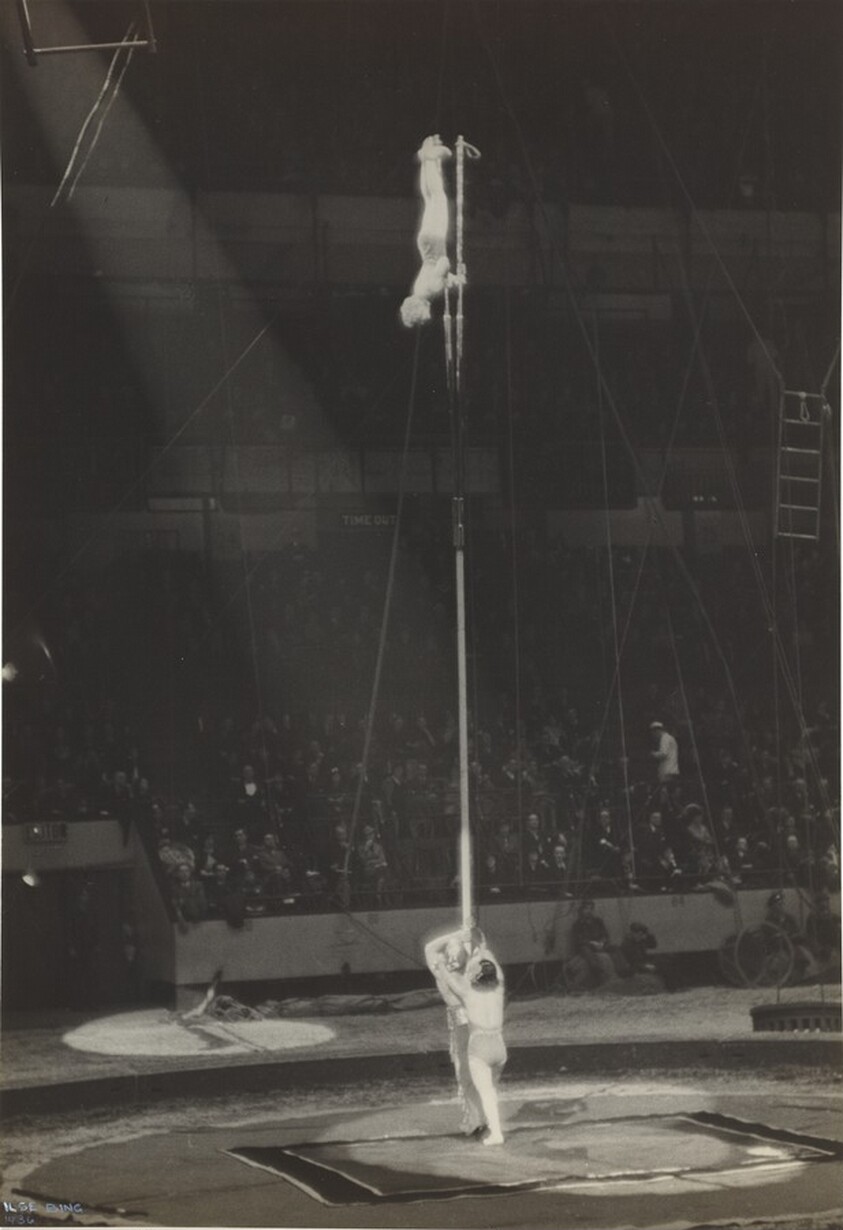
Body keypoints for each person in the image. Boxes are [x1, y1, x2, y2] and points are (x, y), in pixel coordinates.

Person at [429, 932, 507, 1146]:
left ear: (474, 977)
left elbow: (447, 978)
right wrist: (482, 947)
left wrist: (442, 963)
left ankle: (496, 1132)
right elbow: (493, 963)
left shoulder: (467, 993)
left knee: (486, 1093)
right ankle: (491, 1126)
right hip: (500, 1046)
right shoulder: (499, 988)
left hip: (480, 1046)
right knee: (491, 1090)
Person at [424, 927, 485, 1137]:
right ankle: (476, 1117)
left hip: (464, 1025)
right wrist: (463, 936)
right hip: (469, 1023)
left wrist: (458, 936)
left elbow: (430, 948)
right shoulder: (466, 971)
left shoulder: (445, 972)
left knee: (466, 1074)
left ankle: (476, 1119)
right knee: (470, 1073)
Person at [400, 135, 463, 328]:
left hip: (435, 244)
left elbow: (443, 263)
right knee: (429, 199)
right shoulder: (417, 291)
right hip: (425, 245)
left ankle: (429, 157)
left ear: (420, 311)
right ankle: (426, 161)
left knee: (438, 197)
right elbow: (436, 272)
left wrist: (447, 278)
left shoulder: (430, 290)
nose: (427, 317)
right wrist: (451, 279)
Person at [649, 720, 679, 785]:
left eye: (653, 733)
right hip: (672, 769)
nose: (654, 736)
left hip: (666, 770)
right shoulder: (670, 738)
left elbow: (663, 753)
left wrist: (653, 754)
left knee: (665, 788)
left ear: (656, 731)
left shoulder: (664, 738)